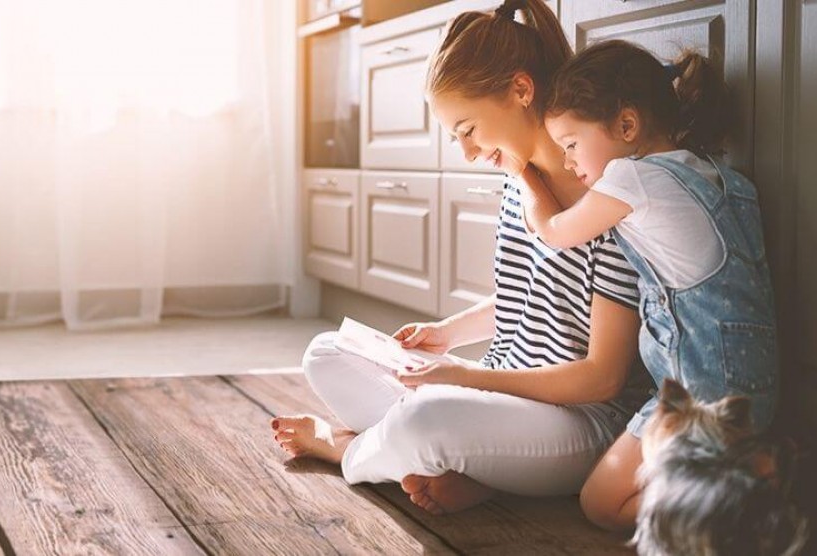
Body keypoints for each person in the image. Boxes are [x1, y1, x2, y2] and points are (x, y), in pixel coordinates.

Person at [269, 0, 651, 515]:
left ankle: (347, 449)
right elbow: (529, 292)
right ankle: (475, 468)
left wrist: (463, 377)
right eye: (457, 137)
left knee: (426, 419)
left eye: (468, 129)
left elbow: (603, 378)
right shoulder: (520, 183)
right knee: (326, 352)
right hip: (505, 395)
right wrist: (448, 335)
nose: (468, 152)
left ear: (520, 90)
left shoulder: (606, 194)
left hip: (578, 421)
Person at [519, 40, 780, 530]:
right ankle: (733, 472)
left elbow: (555, 233)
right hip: (758, 391)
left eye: (571, 144)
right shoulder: (726, 180)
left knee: (601, 503)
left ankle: (736, 490)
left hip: (698, 397)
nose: (569, 162)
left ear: (627, 126)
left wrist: (526, 179)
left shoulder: (629, 178)